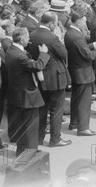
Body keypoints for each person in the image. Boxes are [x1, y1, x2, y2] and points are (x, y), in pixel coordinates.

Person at [28, 12, 72, 148]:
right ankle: (55, 139)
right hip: (55, 78)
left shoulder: (32, 34)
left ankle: (39, 138)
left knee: (41, 110)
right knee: (56, 110)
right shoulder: (52, 38)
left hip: (40, 76)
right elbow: (64, 54)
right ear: (51, 23)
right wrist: (59, 39)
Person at [65, 11, 96, 136]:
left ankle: (74, 123)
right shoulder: (77, 36)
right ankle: (83, 128)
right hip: (83, 73)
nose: (85, 24)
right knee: (84, 102)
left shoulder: (70, 32)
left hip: (76, 71)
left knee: (76, 99)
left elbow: (82, 48)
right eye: (84, 21)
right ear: (79, 21)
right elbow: (89, 55)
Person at [5, 27, 50, 156]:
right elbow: (38, 66)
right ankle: (30, 151)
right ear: (22, 39)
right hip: (27, 95)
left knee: (22, 124)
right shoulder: (19, 56)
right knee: (31, 126)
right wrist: (43, 53)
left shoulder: (11, 50)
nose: (29, 40)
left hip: (18, 94)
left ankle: (22, 150)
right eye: (28, 37)